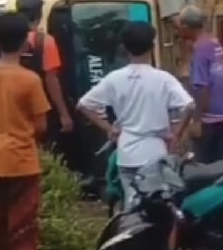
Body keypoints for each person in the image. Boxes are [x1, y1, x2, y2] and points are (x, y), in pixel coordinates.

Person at [77, 21, 195, 209]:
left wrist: (109, 129)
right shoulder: (163, 78)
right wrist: (176, 134)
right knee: (159, 208)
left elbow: (84, 105)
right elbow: (189, 106)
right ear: (152, 46)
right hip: (155, 153)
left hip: (127, 153)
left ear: (124, 49)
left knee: (132, 207)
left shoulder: (114, 79)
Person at [0, 12, 51, 250]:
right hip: (22, 162)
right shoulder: (29, 80)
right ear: (25, 41)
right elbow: (41, 126)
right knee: (22, 230)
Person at [177, 6, 223, 163]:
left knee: (203, 164)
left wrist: (196, 121)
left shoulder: (200, 50)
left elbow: (202, 87)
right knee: (218, 161)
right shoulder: (213, 42)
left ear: (186, 26)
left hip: (209, 115)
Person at [15, 0, 73, 135]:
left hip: (14, 107)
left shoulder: (8, 39)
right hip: (41, 109)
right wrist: (63, 113)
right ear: (40, 13)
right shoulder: (45, 41)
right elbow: (51, 80)